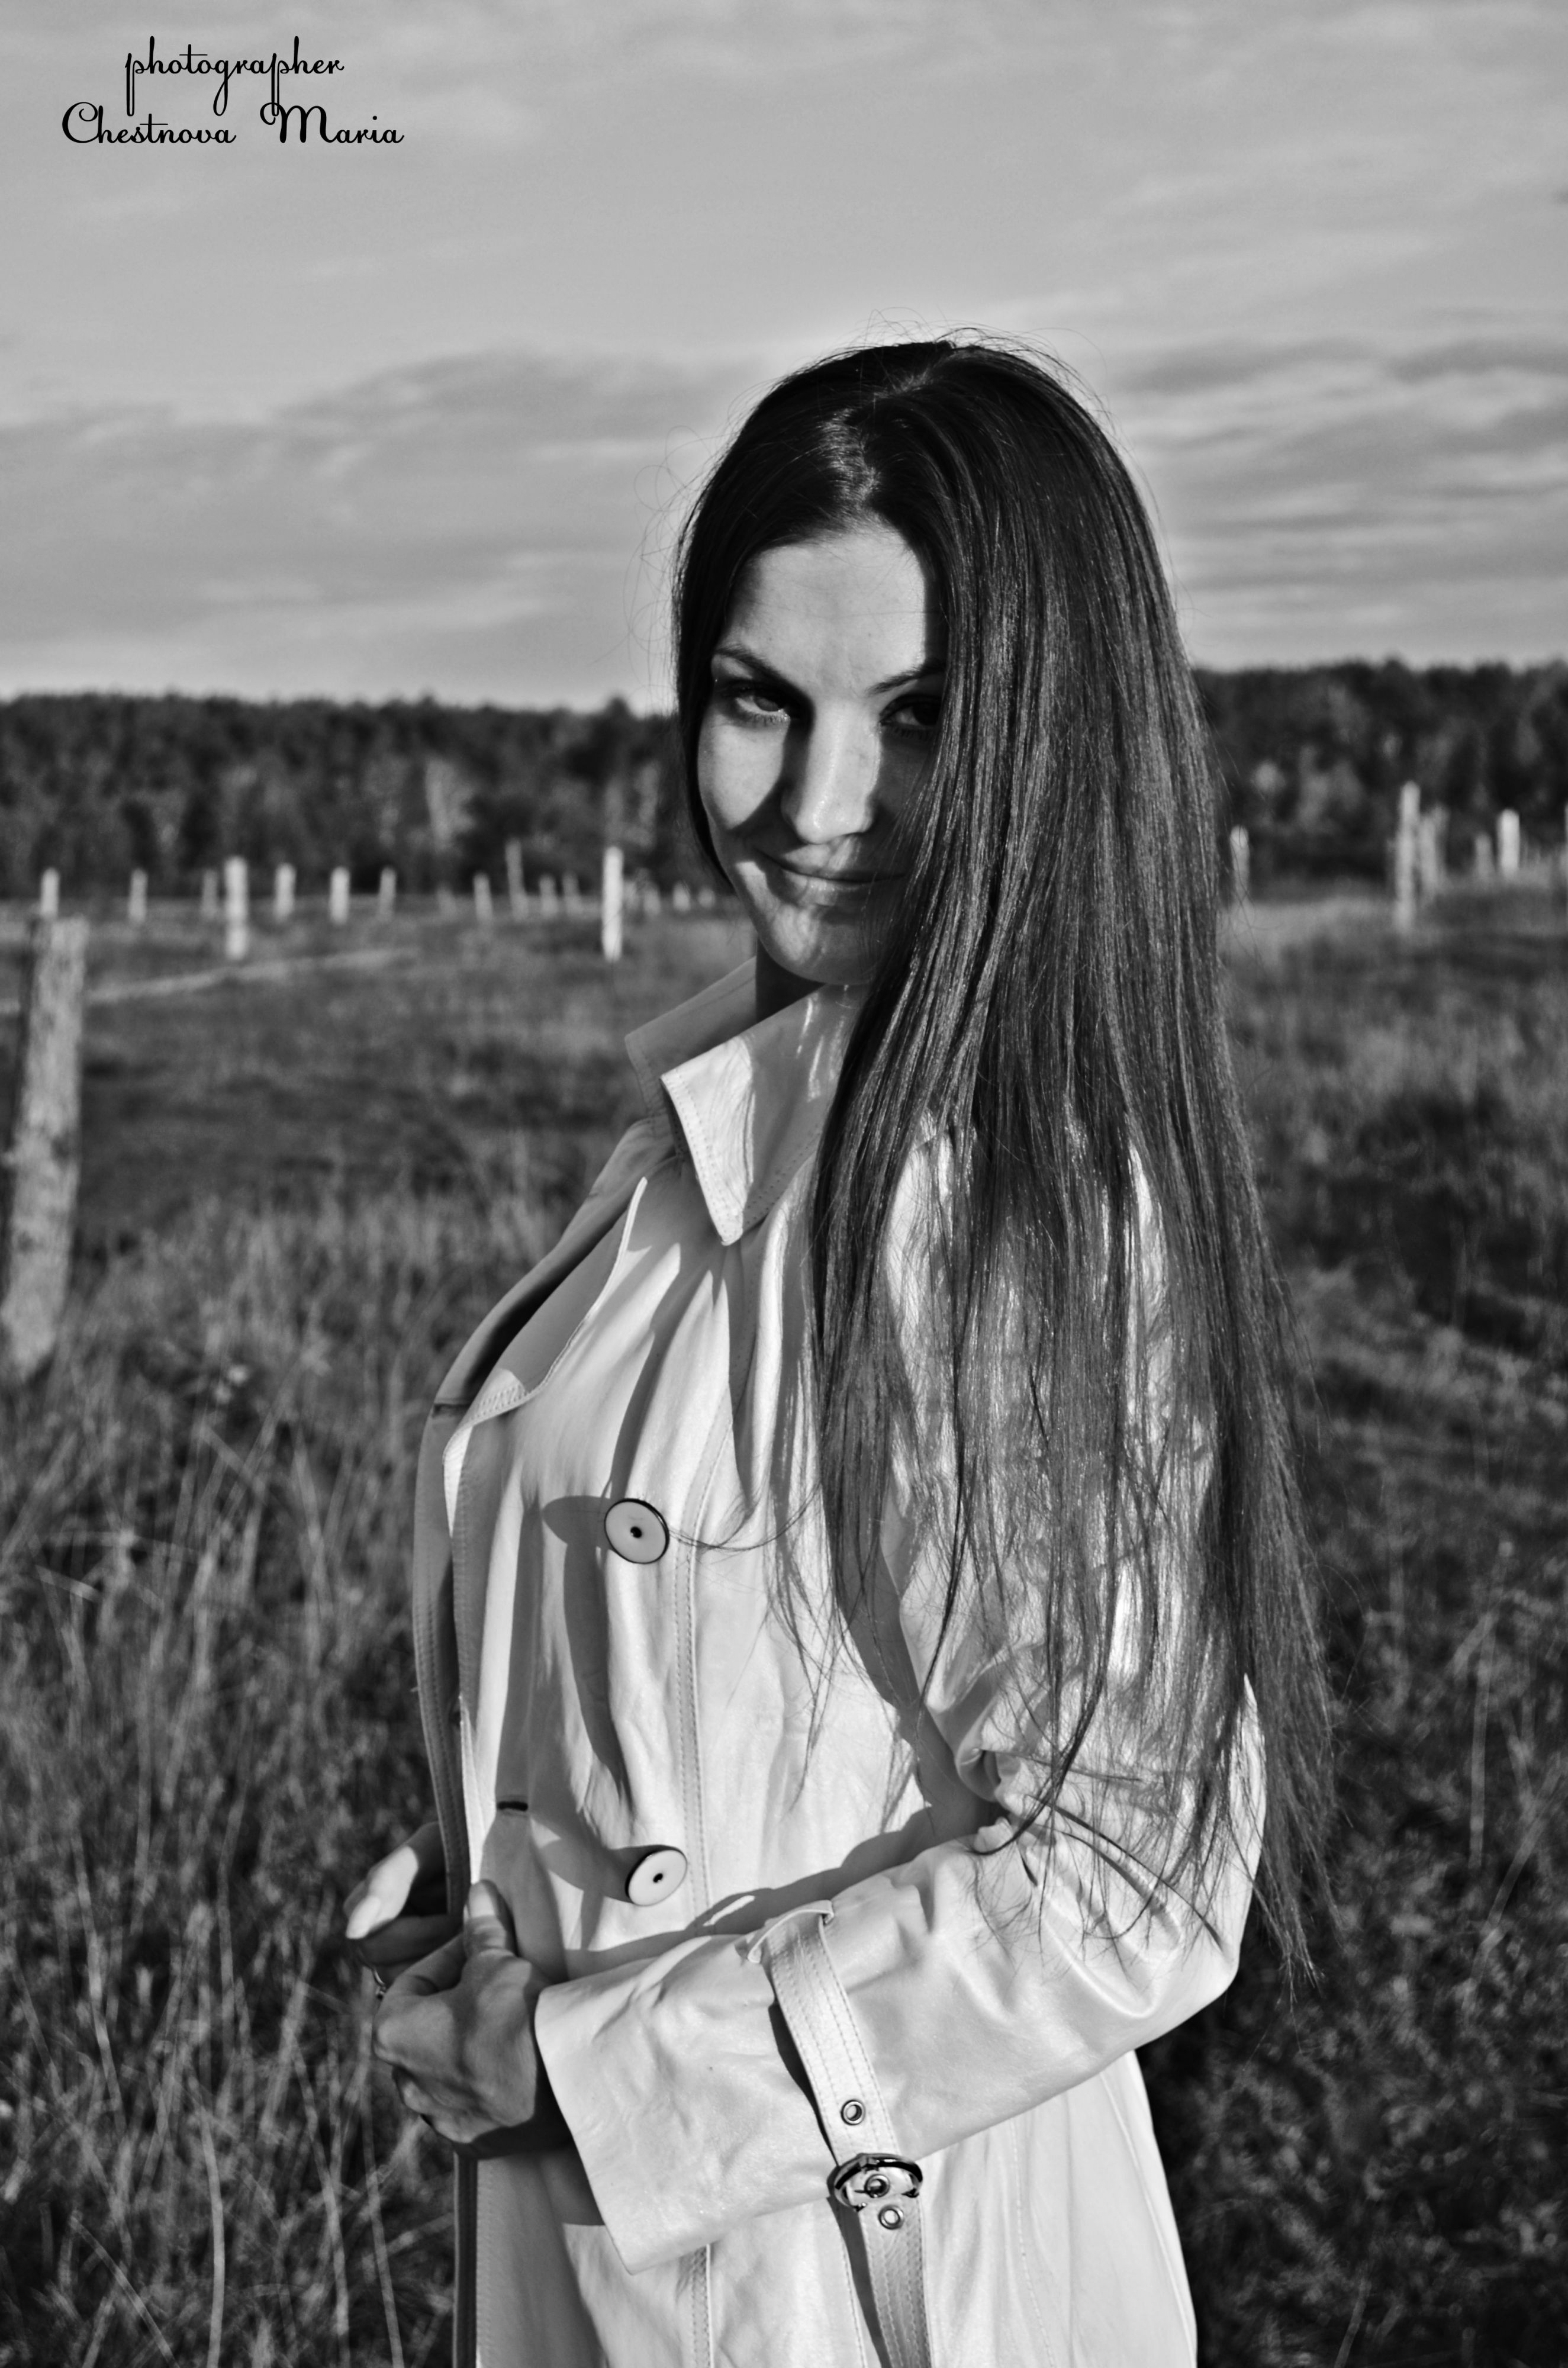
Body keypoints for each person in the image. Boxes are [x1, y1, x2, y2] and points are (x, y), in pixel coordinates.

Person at [344, 336, 1329, 2367]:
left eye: (918, 717)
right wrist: (497, 1881)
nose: (815, 806)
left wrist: (601, 2069)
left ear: (1055, 738)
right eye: (757, 701)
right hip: (656, 2260)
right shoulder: (732, 1128)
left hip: (856, 2295)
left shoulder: (993, 1206)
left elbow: (1129, 1881)